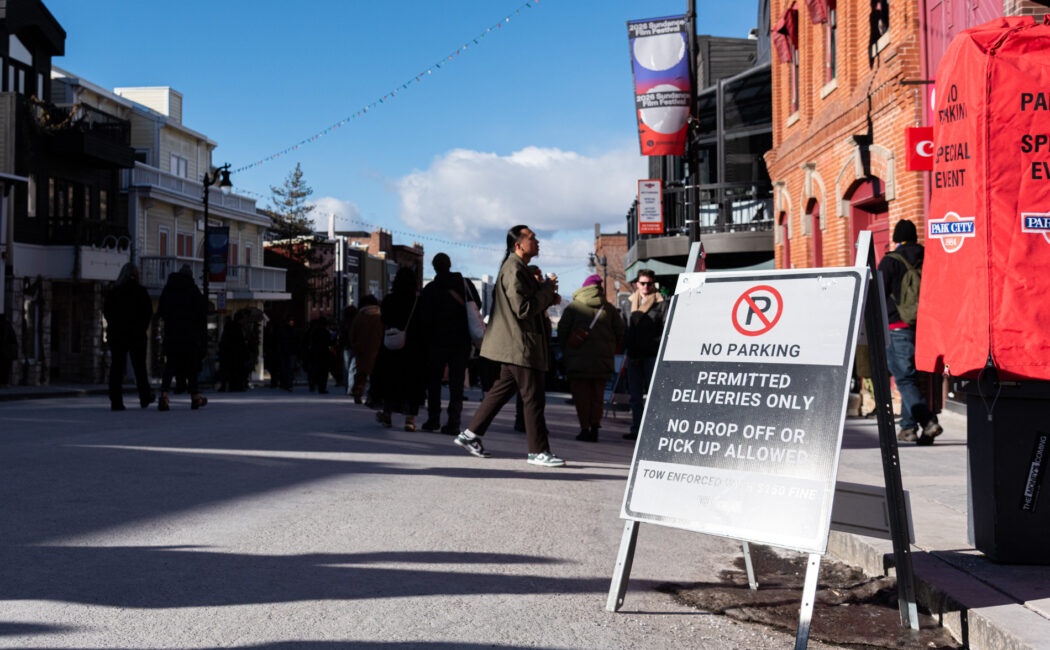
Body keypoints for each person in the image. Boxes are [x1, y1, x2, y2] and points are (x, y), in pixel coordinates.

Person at [452, 225, 565, 467]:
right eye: (532, 238)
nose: (537, 242)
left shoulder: (518, 267)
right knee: (533, 398)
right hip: (520, 345)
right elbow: (523, 309)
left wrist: (548, 295)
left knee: (500, 391)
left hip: (517, 343)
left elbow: (526, 304)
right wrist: (547, 289)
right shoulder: (514, 268)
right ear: (518, 245)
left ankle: (470, 435)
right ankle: (538, 451)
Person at [878, 219, 942, 445]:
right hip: (926, 327)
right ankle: (907, 428)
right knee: (913, 379)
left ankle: (928, 421)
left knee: (904, 379)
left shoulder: (890, 262)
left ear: (897, 238)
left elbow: (877, 295)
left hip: (897, 327)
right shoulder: (929, 257)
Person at [557, 273, 624, 442]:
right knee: (597, 396)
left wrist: (568, 350)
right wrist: (609, 347)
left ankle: (584, 429)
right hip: (602, 361)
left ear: (584, 288)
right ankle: (595, 428)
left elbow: (562, 331)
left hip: (577, 361)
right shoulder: (608, 308)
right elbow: (621, 331)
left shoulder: (573, 307)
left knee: (581, 397)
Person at [418, 253, 475, 435]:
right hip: (461, 341)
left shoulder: (430, 289)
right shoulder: (465, 284)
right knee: (456, 385)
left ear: (434, 267)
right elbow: (477, 306)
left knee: (434, 382)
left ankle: (433, 419)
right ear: (450, 265)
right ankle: (453, 422)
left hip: (436, 342)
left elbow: (422, 317)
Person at [372, 267, 425, 430]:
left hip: (391, 347)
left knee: (389, 381)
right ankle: (410, 419)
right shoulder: (417, 301)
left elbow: (384, 319)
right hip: (413, 347)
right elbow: (423, 323)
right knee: (411, 382)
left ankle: (387, 414)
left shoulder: (389, 299)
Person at [621, 269, 667, 441]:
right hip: (633, 355)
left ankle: (656, 430)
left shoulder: (662, 303)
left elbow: (666, 329)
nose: (646, 286)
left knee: (655, 395)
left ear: (653, 284)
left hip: (652, 355)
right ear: (636, 284)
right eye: (642, 283)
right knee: (635, 397)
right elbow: (624, 328)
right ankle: (637, 429)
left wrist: (655, 345)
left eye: (649, 283)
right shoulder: (628, 303)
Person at [156, 264, 208, 411]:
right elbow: (201, 315)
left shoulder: (169, 289)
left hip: (172, 334)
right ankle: (195, 397)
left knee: (170, 366)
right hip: (190, 336)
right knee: (191, 367)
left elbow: (161, 311)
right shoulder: (193, 290)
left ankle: (164, 395)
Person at [103, 262, 154, 411]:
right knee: (140, 367)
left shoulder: (114, 292)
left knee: (117, 366)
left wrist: (114, 324)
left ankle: (116, 400)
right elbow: (147, 313)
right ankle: (144, 396)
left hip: (117, 333)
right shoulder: (141, 291)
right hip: (136, 334)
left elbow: (107, 311)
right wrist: (141, 327)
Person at [348, 295, 383, 404]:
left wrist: (355, 345)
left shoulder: (359, 317)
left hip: (361, 349)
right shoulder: (380, 317)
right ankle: (372, 396)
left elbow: (352, 333)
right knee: (376, 374)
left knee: (361, 373)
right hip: (377, 348)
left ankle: (358, 390)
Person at [0, 313, 17, 387]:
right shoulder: (8, 325)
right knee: (6, 368)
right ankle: (5, 382)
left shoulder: (6, 325)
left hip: (4, 350)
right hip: (6, 351)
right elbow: (13, 338)